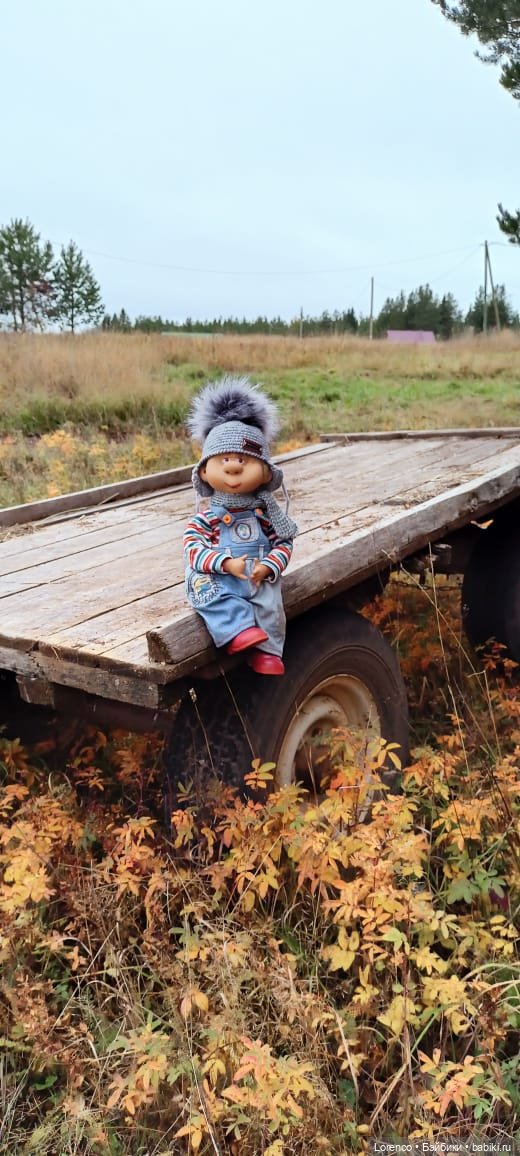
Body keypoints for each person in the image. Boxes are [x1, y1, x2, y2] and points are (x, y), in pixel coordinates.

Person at [183, 375, 298, 675]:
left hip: (256, 573)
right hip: (221, 575)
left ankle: (268, 651)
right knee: (204, 589)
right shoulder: (207, 518)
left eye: (244, 460)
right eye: (223, 460)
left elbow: (283, 542)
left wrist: (270, 565)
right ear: (205, 472)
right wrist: (224, 563)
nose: (233, 466)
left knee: (271, 602)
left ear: (264, 473)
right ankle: (237, 630)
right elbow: (193, 548)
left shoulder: (266, 515)